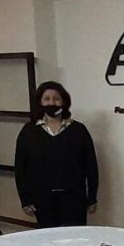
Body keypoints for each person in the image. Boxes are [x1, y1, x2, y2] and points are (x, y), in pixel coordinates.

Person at [14, 81, 98, 228]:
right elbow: (20, 168)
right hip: (42, 200)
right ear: (40, 102)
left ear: (64, 102)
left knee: (75, 237)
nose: (51, 102)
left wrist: (92, 197)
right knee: (49, 238)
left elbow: (91, 165)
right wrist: (25, 199)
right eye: (46, 99)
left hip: (74, 198)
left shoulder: (78, 130)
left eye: (56, 98)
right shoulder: (29, 131)